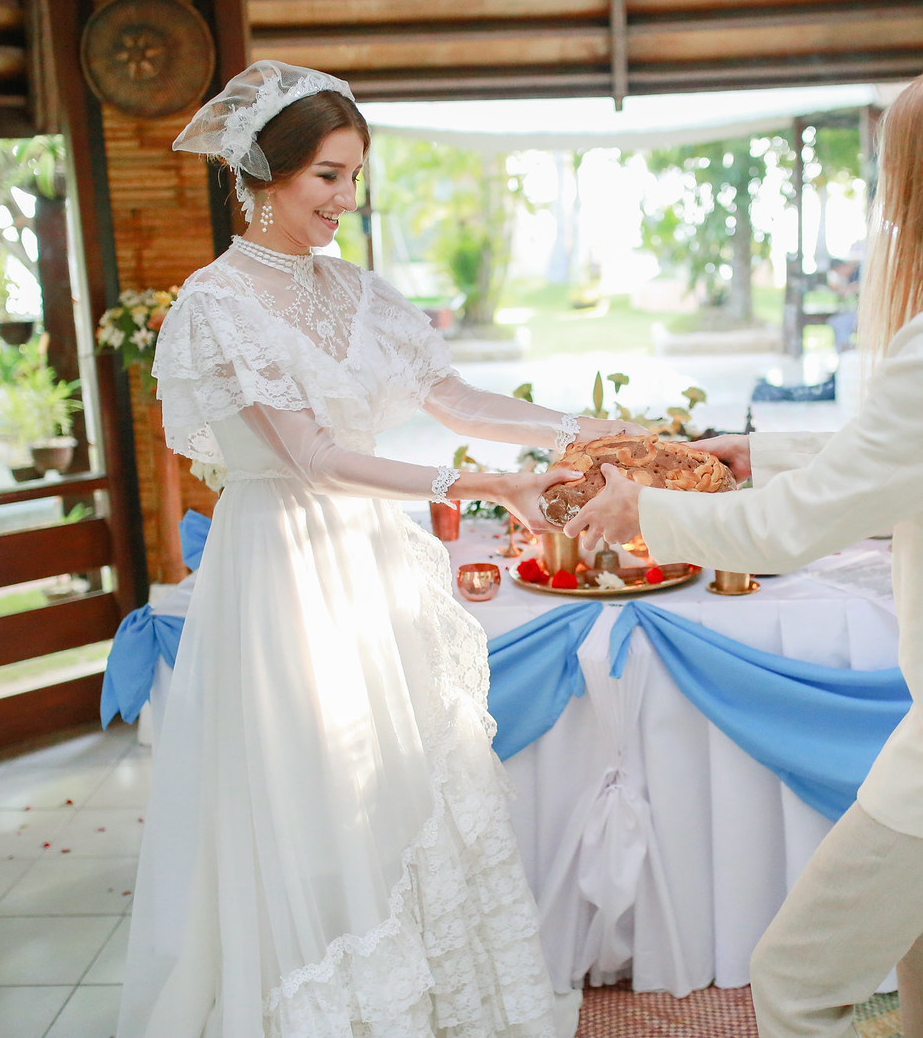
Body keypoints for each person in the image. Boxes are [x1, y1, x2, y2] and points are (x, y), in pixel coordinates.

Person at [564, 52, 923, 1038]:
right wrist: (761, 447)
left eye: (896, 174)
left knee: (792, 980)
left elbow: (793, 529)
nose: (892, 206)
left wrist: (640, 512)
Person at [118, 60, 640, 1038]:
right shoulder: (217, 303)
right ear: (261, 175)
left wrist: (589, 428)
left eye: (355, 177)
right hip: (282, 569)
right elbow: (311, 457)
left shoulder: (359, 292)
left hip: (367, 562)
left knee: (400, 789)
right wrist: (477, 483)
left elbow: (455, 398)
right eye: (326, 175)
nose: (344, 201)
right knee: (311, 796)